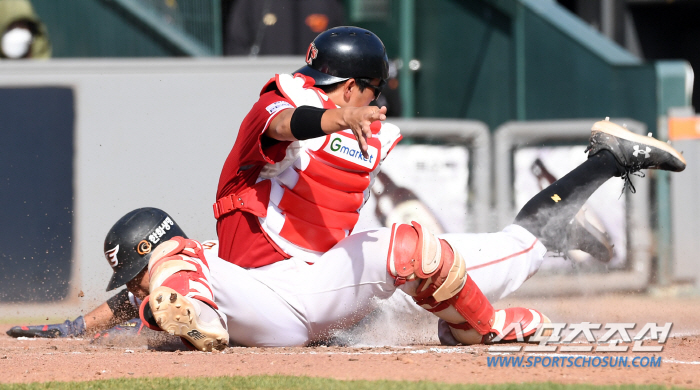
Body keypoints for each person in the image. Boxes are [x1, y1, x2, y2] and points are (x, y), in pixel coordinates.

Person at [10, 118, 684, 353]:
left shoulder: (202, 262)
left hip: (363, 282)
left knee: (519, 248)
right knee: (525, 242)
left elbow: (165, 284)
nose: (136, 295)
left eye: (139, 277)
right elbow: (126, 304)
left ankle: (604, 161)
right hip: (356, 302)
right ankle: (578, 204)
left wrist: (168, 303)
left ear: (158, 255)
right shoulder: (190, 276)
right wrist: (68, 330)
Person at [5, 208, 185, 339]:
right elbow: (129, 300)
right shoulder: (168, 285)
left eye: (135, 274)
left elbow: (196, 320)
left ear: (162, 255)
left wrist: (146, 329)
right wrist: (75, 328)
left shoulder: (206, 273)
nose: (131, 285)